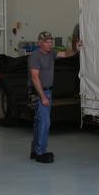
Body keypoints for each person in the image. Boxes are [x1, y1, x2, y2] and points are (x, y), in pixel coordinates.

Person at [27, 31, 81, 163]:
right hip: (39, 93)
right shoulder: (35, 56)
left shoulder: (51, 53)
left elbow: (65, 54)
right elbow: (34, 78)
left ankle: (35, 150)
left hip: (48, 92)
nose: (49, 43)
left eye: (50, 41)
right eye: (46, 41)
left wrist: (75, 48)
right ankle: (41, 153)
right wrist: (43, 97)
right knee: (45, 122)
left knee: (39, 122)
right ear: (40, 43)